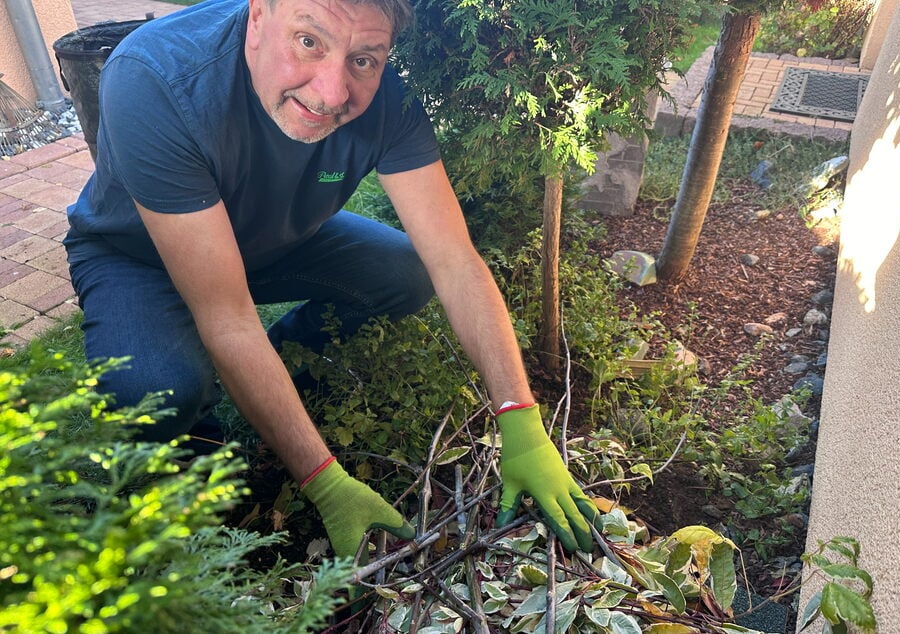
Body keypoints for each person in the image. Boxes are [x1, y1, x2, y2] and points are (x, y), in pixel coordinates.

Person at [64, 0, 601, 559]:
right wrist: (324, 479)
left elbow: (454, 261)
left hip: (276, 239)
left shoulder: (389, 96)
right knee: (156, 394)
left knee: (408, 273)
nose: (330, 93)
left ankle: (282, 361)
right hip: (138, 255)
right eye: (308, 41)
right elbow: (226, 316)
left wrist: (520, 416)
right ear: (256, 18)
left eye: (365, 59)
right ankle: (199, 437)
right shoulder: (154, 77)